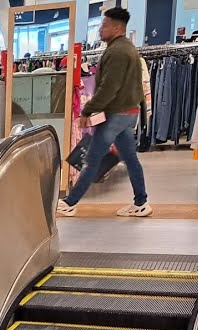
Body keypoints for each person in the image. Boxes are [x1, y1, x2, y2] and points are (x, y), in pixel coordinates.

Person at [57, 7, 152, 217]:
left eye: (105, 25)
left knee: (92, 158)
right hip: (128, 113)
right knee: (130, 158)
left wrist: (88, 111)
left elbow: (110, 87)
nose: (100, 29)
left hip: (117, 114)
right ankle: (141, 203)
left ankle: (70, 202)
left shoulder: (118, 52)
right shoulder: (126, 48)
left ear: (117, 28)